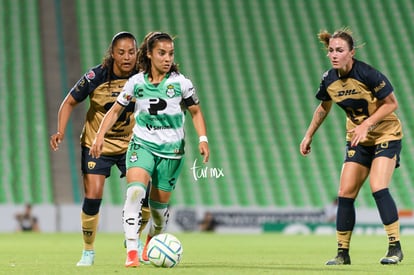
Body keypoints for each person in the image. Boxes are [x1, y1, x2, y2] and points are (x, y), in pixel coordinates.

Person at [89, 31, 210, 268]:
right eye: (161, 53)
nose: (167, 58)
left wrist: (203, 139)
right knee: (135, 192)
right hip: (142, 144)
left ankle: (151, 243)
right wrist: (99, 136)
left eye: (170, 54)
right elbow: (114, 111)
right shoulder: (136, 83)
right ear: (149, 54)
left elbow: (195, 111)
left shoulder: (181, 83)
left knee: (157, 211)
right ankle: (132, 251)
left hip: (172, 152)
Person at [300, 28, 404, 265]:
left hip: (385, 132)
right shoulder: (329, 79)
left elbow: (391, 104)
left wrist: (367, 124)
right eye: (331, 51)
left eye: (340, 50)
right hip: (358, 138)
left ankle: (395, 248)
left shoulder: (368, 74)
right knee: (345, 193)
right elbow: (323, 108)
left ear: (351, 53)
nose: (334, 55)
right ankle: (342, 253)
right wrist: (308, 136)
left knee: (378, 187)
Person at [50, 31, 151, 267]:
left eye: (131, 52)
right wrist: (61, 131)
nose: (127, 57)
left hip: (133, 144)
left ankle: (132, 236)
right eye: (121, 52)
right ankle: (88, 251)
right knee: (93, 197)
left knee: (144, 196)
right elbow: (69, 102)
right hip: (98, 144)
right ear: (112, 54)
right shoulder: (97, 76)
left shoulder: (143, 76)